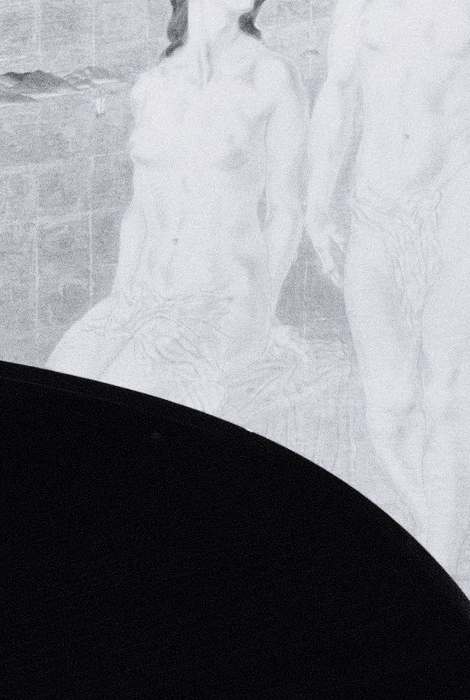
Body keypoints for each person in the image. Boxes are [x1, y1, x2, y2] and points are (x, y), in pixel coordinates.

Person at [43, 0, 305, 419]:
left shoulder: (271, 77)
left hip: (222, 302)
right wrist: (118, 305)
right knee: (50, 387)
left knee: (117, 406)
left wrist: (262, 315)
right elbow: (139, 213)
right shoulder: (150, 86)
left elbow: (286, 212)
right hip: (143, 296)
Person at [305, 0, 470, 570]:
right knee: (388, 409)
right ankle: (451, 542)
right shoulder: (356, 5)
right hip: (375, 212)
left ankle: (440, 566)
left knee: (450, 392)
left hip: (459, 202)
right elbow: (338, 95)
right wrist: (316, 205)